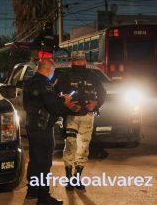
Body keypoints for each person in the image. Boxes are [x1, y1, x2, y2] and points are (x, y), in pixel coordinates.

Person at [23, 58, 73, 205]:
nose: (52, 73)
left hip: (32, 126)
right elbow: (54, 108)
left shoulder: (29, 83)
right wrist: (65, 102)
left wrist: (58, 99)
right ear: (48, 70)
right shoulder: (45, 85)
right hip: (43, 128)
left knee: (35, 161)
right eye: (52, 71)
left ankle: (32, 191)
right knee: (44, 163)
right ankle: (43, 198)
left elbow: (36, 102)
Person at [55, 51, 106, 192]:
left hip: (88, 116)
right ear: (72, 61)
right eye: (77, 60)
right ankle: (69, 179)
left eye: (82, 60)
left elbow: (102, 93)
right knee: (71, 145)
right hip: (71, 116)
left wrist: (96, 104)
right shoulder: (64, 76)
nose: (79, 63)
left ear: (85, 61)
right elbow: (56, 93)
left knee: (83, 148)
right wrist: (67, 104)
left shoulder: (93, 76)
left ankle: (77, 177)